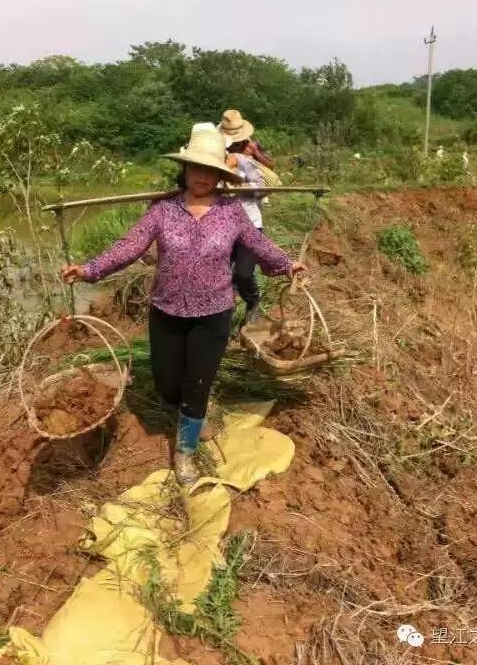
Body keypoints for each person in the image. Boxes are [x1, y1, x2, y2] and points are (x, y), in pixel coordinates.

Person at [62, 124, 305, 486]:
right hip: (167, 311)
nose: (202, 177)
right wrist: (89, 269)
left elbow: (257, 244)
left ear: (220, 174)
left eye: (209, 170)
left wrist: (287, 265)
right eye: (196, 168)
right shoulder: (163, 210)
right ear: (185, 169)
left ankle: (186, 450)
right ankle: (188, 411)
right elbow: (130, 245)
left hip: (214, 313)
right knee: (167, 382)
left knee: (198, 384)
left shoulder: (231, 212)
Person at [225, 137, 266, 324]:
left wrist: (241, 186)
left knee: (243, 273)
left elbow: (263, 188)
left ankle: (253, 299)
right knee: (218, 274)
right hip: (220, 226)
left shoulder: (246, 162)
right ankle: (223, 313)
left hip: (250, 224)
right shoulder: (210, 162)